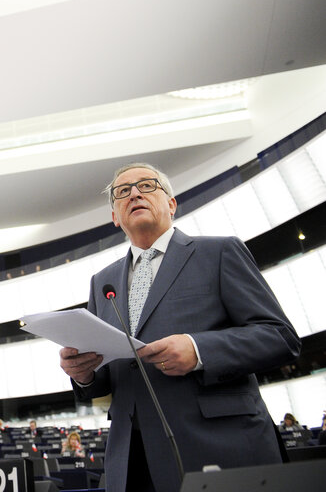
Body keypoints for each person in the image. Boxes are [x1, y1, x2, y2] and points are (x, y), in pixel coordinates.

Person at [59, 163, 301, 492]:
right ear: (115, 216)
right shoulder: (102, 282)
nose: (134, 193)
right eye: (122, 191)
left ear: (171, 204)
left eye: (147, 186)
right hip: (132, 457)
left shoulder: (219, 252)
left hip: (217, 445)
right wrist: (83, 373)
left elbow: (280, 337)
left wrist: (199, 350)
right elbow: (110, 371)